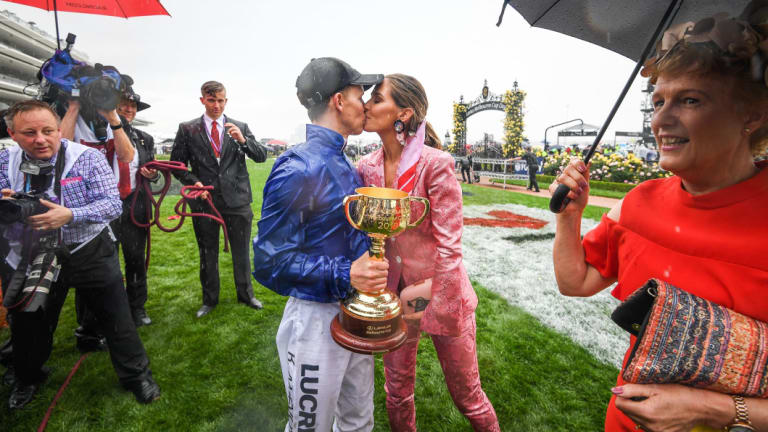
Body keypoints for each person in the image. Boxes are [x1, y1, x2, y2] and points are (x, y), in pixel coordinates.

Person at [550, 6, 768, 432]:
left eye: (690, 100)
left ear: (751, 115)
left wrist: (715, 410)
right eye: (658, 102)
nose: (661, 121)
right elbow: (575, 282)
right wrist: (568, 219)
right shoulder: (639, 201)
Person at [252, 57, 389, 432]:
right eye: (360, 94)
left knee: (359, 422)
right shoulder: (300, 166)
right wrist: (348, 272)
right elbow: (268, 262)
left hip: (353, 312)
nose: (365, 103)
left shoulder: (340, 158)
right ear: (338, 101)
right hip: (314, 319)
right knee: (310, 427)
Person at [357, 73, 500, 431]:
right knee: (396, 393)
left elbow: (451, 248)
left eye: (377, 99)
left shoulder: (435, 163)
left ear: (402, 114)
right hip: (394, 297)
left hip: (440, 293)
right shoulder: (366, 167)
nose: (367, 105)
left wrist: (434, 301)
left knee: (468, 396)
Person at [0, 100, 160, 409]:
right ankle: (27, 377)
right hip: (33, 252)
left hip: (88, 248)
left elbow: (112, 205)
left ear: (59, 130)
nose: (40, 139)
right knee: (29, 321)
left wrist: (70, 214)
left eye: (48, 131)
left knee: (117, 318)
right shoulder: (5, 161)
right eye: (29, 132)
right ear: (12, 133)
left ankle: (137, 376)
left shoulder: (85, 158)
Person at [171, 81, 267, 318]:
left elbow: (261, 156)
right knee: (208, 252)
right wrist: (194, 182)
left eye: (221, 100)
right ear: (202, 100)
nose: (217, 105)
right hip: (205, 201)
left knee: (241, 250)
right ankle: (210, 300)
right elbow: (177, 165)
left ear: (226, 100)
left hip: (238, 200)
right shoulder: (188, 129)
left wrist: (244, 140)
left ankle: (246, 295)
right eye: (212, 100)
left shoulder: (239, 126)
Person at [114, 88, 158, 326]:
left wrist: (151, 175)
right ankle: (96, 316)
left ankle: (137, 307)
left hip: (134, 204)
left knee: (135, 259)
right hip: (104, 206)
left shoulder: (144, 138)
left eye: (133, 106)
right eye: (124, 104)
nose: (129, 109)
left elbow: (154, 172)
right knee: (101, 262)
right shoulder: (99, 134)